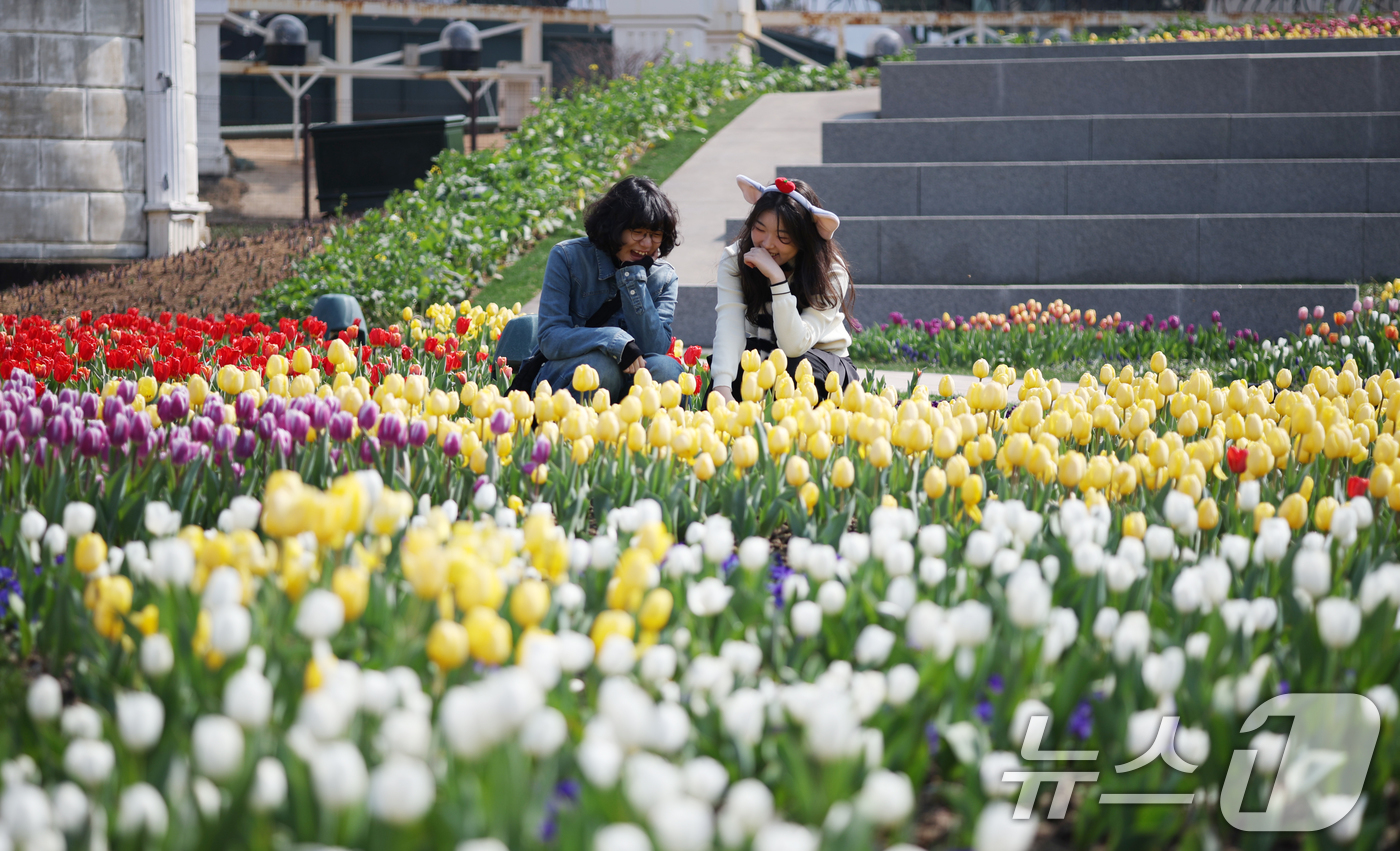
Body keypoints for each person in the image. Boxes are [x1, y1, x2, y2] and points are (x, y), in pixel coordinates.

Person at [527, 176, 684, 398]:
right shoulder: (568, 257)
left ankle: (648, 433)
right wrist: (613, 340)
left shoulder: (664, 277)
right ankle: (577, 431)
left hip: (632, 374)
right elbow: (550, 338)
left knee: (666, 370)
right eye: (638, 232)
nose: (647, 244)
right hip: (569, 373)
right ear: (614, 227)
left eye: (655, 235)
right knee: (601, 368)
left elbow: (654, 348)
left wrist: (634, 278)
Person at [710, 175, 858, 403]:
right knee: (729, 379)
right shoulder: (735, 259)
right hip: (763, 354)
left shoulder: (830, 270)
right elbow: (730, 323)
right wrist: (722, 387)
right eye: (760, 229)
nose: (767, 243)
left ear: (804, 239)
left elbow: (794, 345)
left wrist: (777, 281)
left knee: (791, 373)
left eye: (783, 237)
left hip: (820, 362)